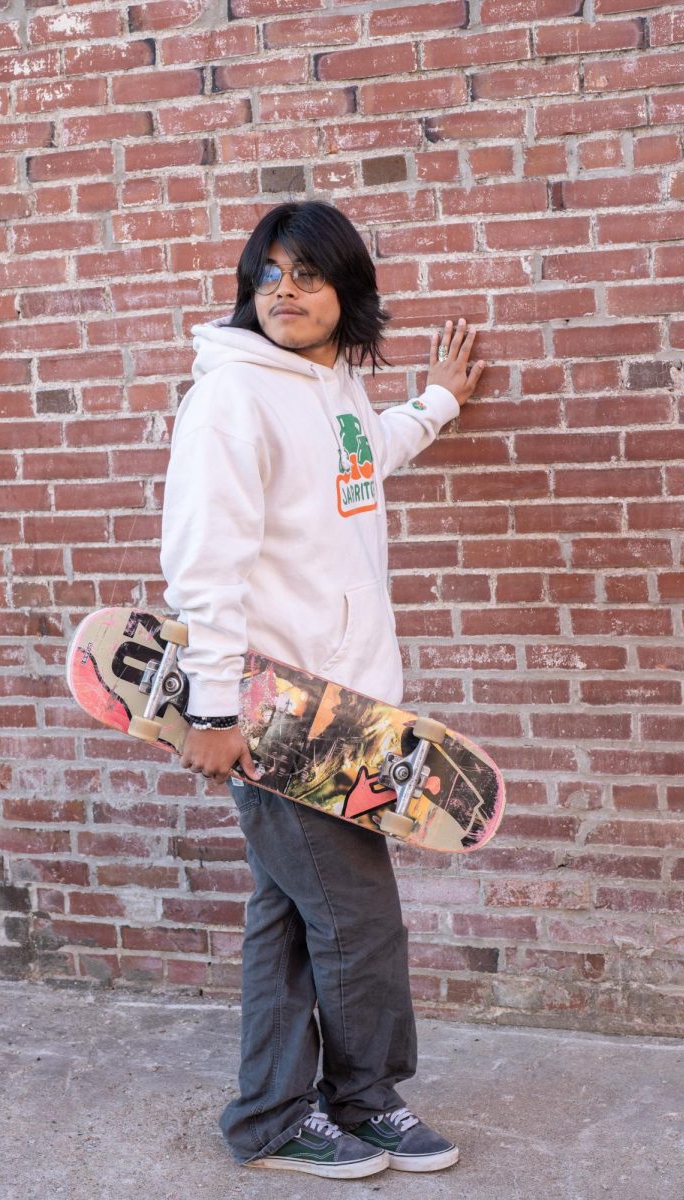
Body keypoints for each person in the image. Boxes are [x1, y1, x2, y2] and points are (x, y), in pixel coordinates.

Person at [160, 200, 485, 1179]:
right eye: (268, 273)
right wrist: (214, 712)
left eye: (306, 274)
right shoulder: (231, 400)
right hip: (276, 710)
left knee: (290, 920)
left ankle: (269, 1116)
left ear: (347, 292)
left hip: (351, 714)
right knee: (354, 920)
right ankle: (362, 1097)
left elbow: (360, 462)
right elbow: (204, 566)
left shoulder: (329, 387)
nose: (284, 291)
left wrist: (434, 405)